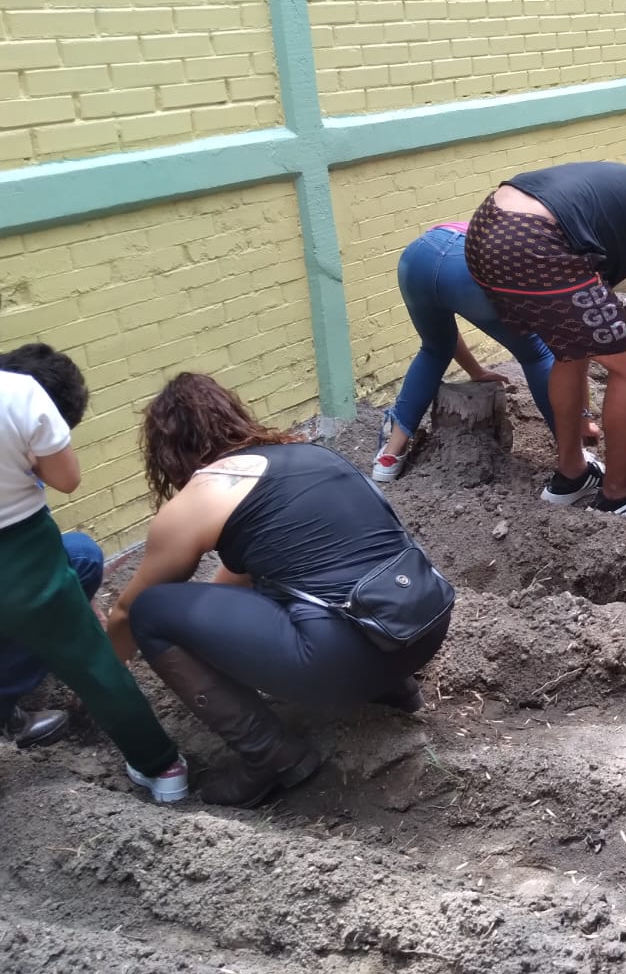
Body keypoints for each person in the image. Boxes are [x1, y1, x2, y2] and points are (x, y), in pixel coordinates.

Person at [106, 374, 452, 807]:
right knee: (316, 576)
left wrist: (104, 683)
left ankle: (269, 756)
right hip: (420, 627)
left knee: (152, 611)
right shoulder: (307, 454)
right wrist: (210, 638)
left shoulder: (202, 494)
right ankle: (394, 690)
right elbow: (237, 586)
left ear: (168, 452)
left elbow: (126, 613)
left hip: (342, 659)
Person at [464, 162, 626, 520]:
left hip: (484, 229)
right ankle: (616, 496)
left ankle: (572, 476)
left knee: (572, 349)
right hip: (531, 237)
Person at [0, 344, 188, 802]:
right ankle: (162, 768)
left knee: (81, 554)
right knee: (91, 662)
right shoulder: (17, 392)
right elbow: (66, 480)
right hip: (19, 554)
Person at [373, 220, 564, 483]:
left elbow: (445, 340)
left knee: (434, 348)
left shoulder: (497, 225)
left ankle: (389, 457)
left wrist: (475, 370)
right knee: (537, 354)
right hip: (468, 270)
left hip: (418, 256)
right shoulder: (540, 250)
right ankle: (571, 456)